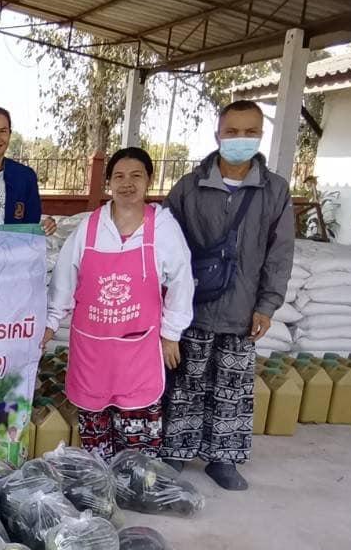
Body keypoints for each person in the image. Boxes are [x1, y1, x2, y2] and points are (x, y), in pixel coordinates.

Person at [159, 100, 294, 491]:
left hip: (242, 307)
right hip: (194, 306)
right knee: (187, 380)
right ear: (218, 135)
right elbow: (166, 243)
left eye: (249, 131)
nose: (240, 139)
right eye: (232, 132)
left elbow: (280, 251)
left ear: (260, 135)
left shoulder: (274, 190)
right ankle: (177, 450)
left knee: (232, 387)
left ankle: (223, 458)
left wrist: (267, 305)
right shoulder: (190, 186)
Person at [43, 148, 194, 460]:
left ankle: (136, 483)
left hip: (138, 349)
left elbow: (181, 280)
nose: (127, 184)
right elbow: (64, 279)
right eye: (119, 177)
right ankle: (100, 482)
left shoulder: (163, 228)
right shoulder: (90, 227)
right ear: (109, 182)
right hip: (93, 348)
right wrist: (50, 324)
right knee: (95, 425)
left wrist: (171, 334)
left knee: (137, 427)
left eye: (136, 176)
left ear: (149, 180)